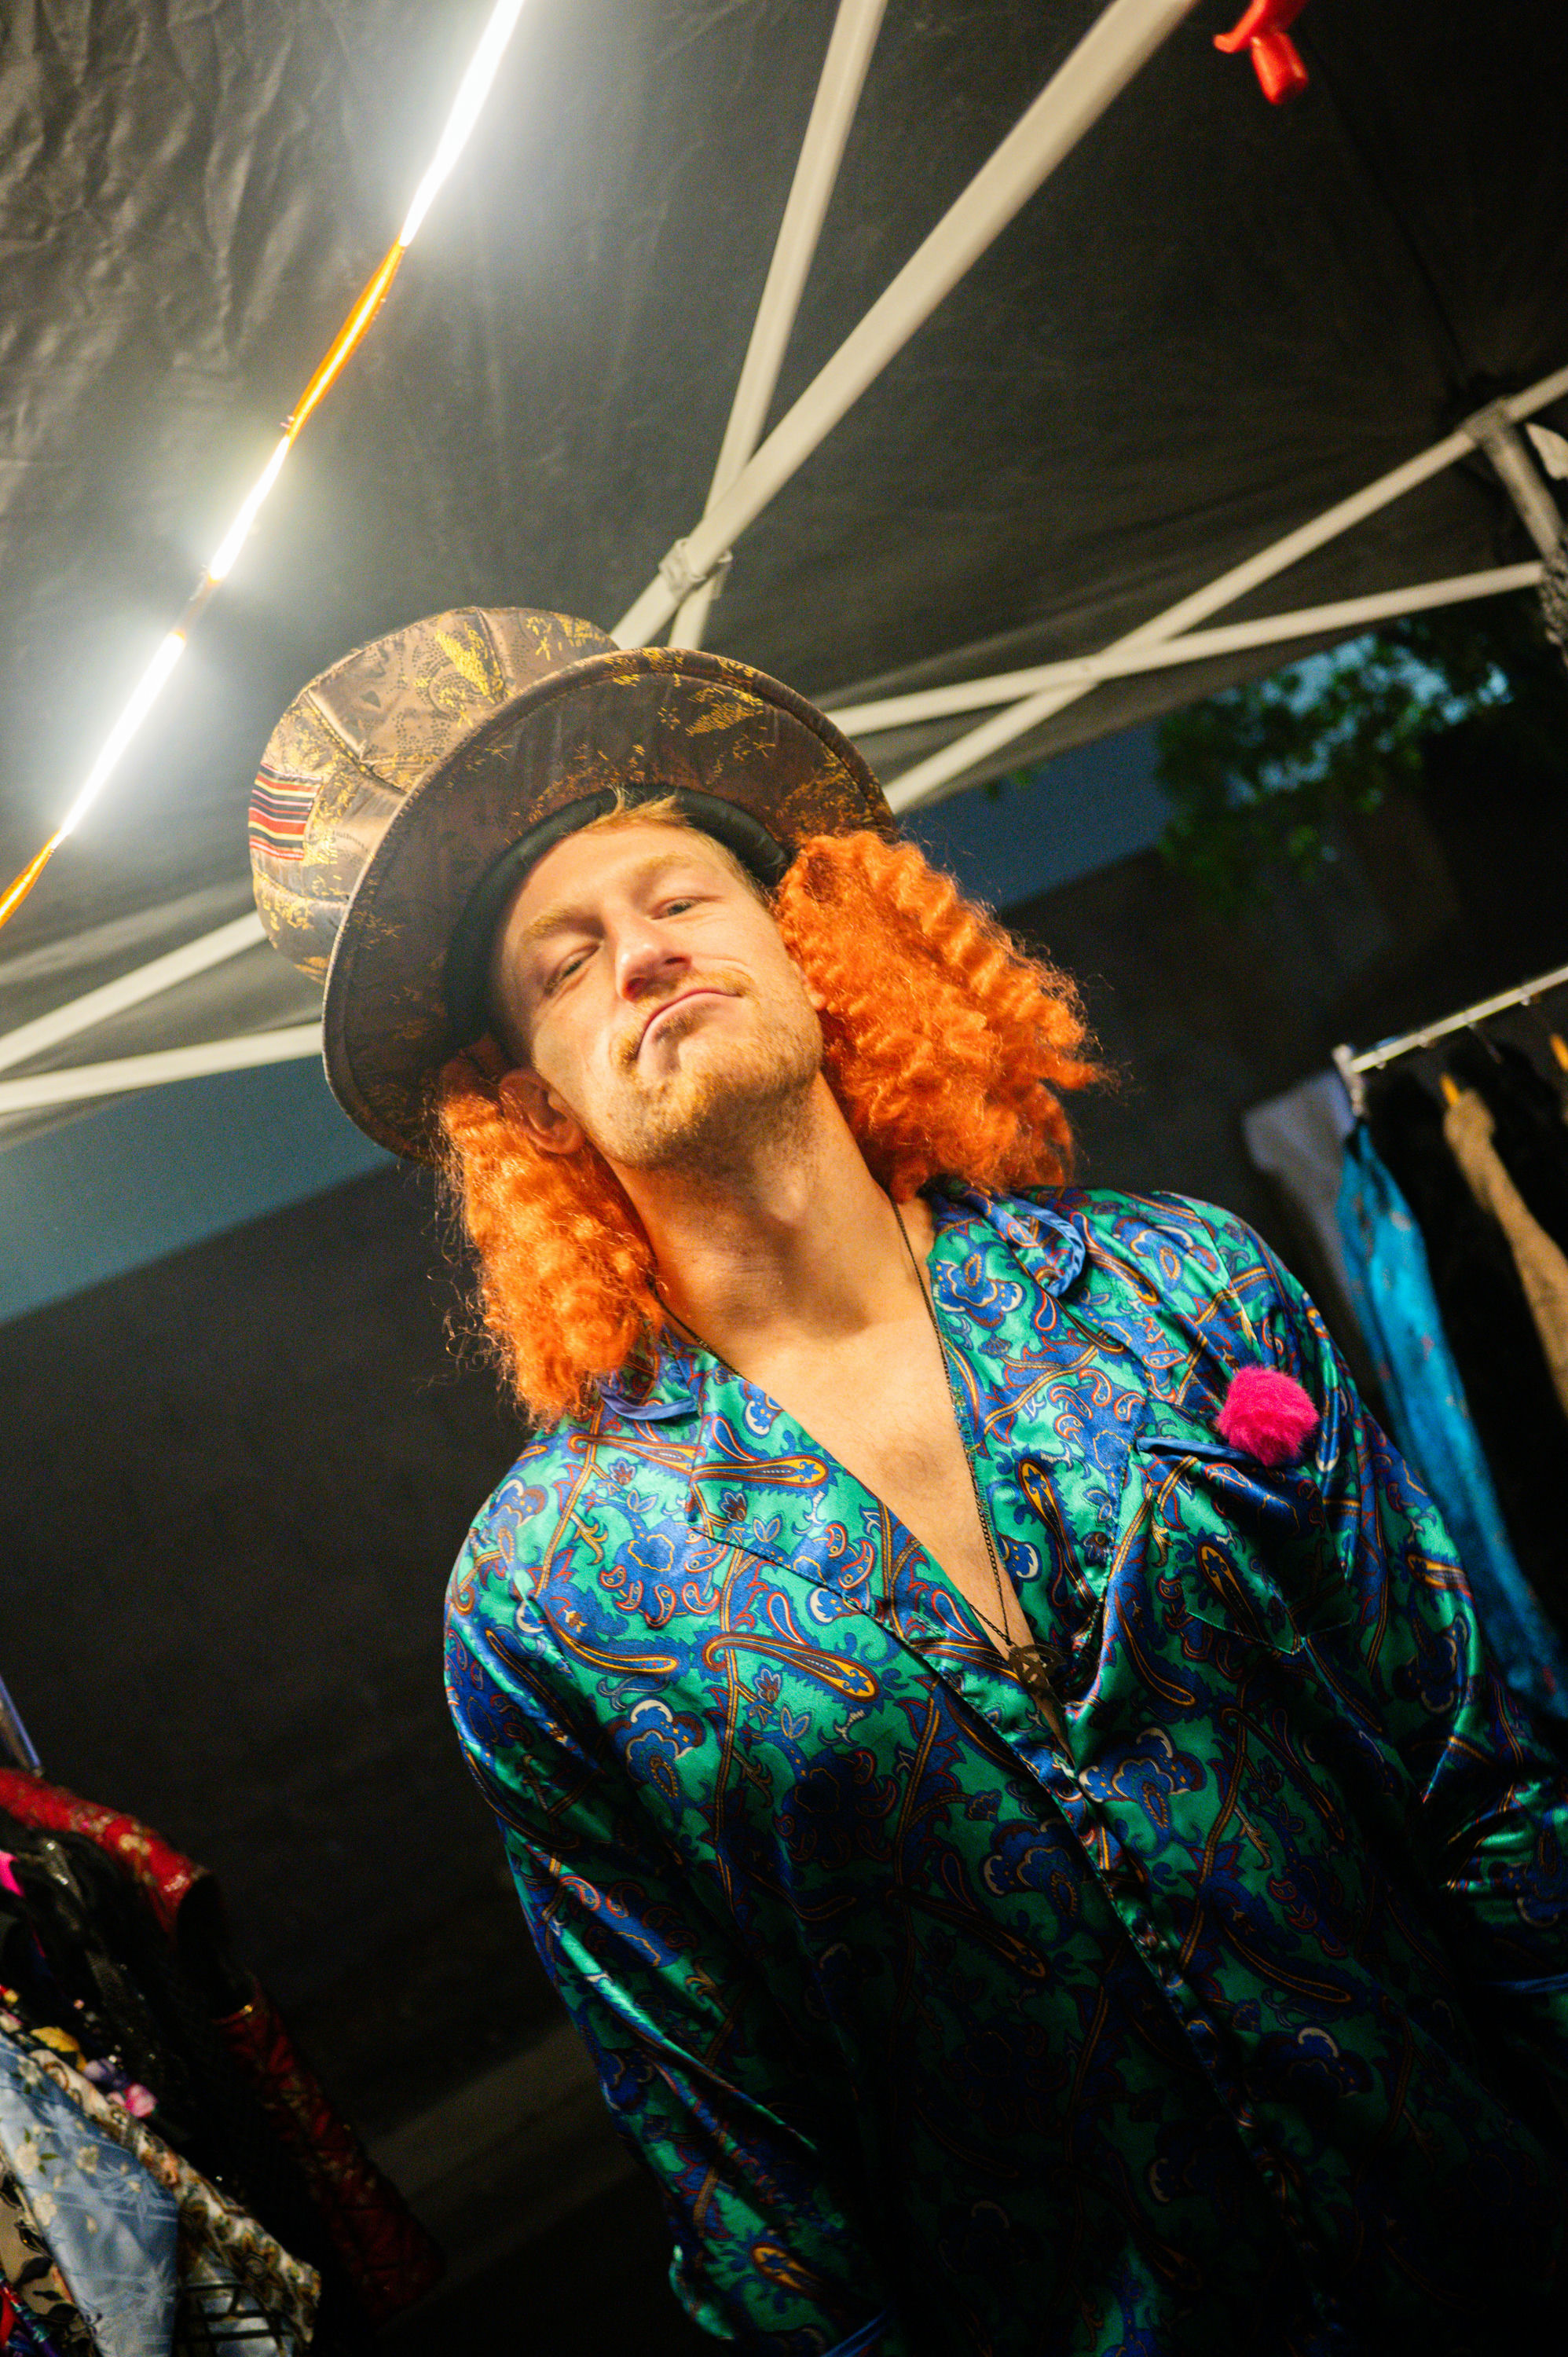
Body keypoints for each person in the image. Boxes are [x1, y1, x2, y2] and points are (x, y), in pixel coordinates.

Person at [254, 607, 1568, 2357]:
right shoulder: (550, 1597)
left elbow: (1484, 1780)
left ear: (808, 951)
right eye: (564, 966)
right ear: (537, 1110)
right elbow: (745, 2183)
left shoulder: (1181, 1287)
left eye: (677, 897)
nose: (640, 957)